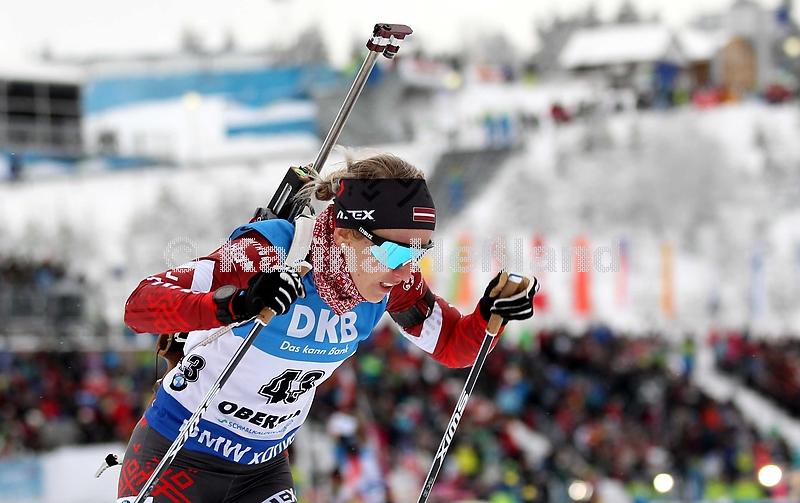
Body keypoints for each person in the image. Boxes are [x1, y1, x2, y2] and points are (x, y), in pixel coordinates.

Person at [118, 154, 537, 502]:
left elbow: (454, 346)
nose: (406, 271)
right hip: (177, 453)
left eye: (419, 253)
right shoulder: (268, 253)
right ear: (345, 234)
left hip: (262, 470)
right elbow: (140, 305)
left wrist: (490, 315)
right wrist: (238, 303)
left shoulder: (391, 285)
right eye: (394, 253)